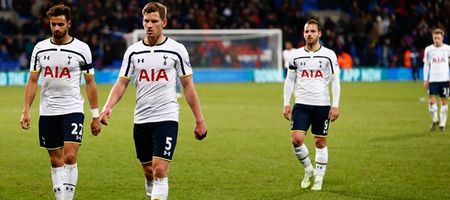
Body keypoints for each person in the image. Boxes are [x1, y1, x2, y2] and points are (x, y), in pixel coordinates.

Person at [99, 2, 207, 200]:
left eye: (154, 21)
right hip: (141, 119)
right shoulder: (133, 51)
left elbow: (188, 86)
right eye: (146, 21)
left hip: (167, 117)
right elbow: (121, 83)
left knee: (159, 169)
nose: (149, 25)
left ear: (164, 22)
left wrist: (199, 120)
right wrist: (107, 106)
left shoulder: (177, 50)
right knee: (148, 170)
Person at [19, 4, 101, 200]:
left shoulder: (82, 49)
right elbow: (32, 81)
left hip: (72, 108)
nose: (56, 28)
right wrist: (26, 111)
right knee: (56, 161)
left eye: (60, 24)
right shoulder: (40, 49)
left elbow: (90, 83)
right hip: (48, 111)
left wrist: (95, 116)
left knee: (70, 157)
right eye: (53, 24)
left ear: (69, 24)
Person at [283, 19, 340, 191]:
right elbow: (290, 79)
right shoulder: (295, 55)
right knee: (296, 139)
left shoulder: (329, 55)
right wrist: (286, 103)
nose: (309, 34)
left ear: (319, 34)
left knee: (320, 142)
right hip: (301, 103)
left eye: (313, 31)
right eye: (307, 31)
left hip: (322, 105)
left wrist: (335, 105)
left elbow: (336, 81)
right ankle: (309, 169)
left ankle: (319, 178)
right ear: (303, 34)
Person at [423, 27, 450, 132]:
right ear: (432, 38)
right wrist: (426, 79)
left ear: (442, 38)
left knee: (444, 101)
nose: (437, 40)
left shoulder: (448, 49)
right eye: (435, 38)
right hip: (433, 79)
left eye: (438, 38)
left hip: (445, 79)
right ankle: (435, 119)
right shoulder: (428, 49)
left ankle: (442, 123)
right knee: (431, 101)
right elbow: (426, 65)